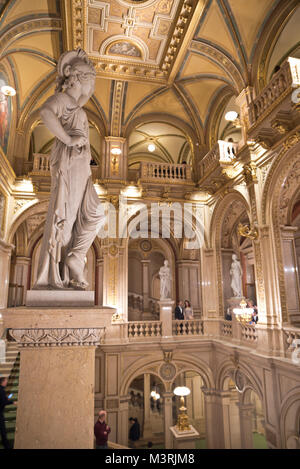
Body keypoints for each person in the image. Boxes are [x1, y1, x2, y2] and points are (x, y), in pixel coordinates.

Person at [34, 48, 105, 291]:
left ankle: (75, 256)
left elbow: (84, 98)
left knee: (95, 213)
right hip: (71, 162)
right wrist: (68, 139)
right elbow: (45, 112)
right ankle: (60, 268)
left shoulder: (76, 105)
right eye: (89, 76)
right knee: (67, 216)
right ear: (75, 77)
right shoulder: (63, 99)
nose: (92, 82)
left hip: (81, 166)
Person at [0, 377, 17, 449]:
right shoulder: (2, 390)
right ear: (3, 382)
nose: (7, 382)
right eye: (6, 381)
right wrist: (12, 402)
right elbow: (3, 402)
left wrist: (5, 399)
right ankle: (6, 445)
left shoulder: (1, 390)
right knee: (3, 429)